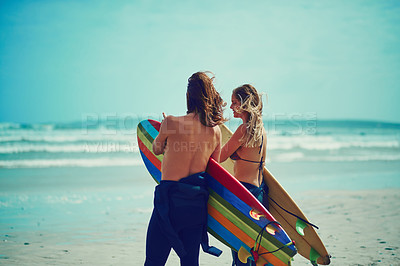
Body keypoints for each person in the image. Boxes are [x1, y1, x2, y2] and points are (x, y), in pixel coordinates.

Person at [145, 71, 226, 266]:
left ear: (189, 96)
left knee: (154, 261)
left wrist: (165, 130)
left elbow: (156, 149)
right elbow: (213, 168)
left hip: (169, 203)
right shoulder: (216, 132)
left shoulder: (171, 122)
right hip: (195, 206)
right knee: (190, 262)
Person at [219, 84, 268, 266]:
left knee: (239, 250)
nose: (231, 106)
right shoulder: (260, 131)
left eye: (234, 102)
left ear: (244, 104)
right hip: (259, 194)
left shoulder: (243, 130)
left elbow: (219, 157)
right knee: (252, 249)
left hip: (242, 195)